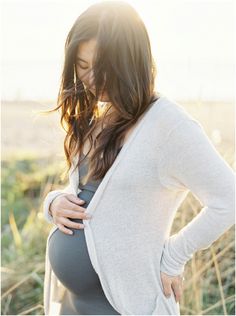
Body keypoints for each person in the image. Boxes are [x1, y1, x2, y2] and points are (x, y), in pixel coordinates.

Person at [42, 1, 235, 315]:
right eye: (83, 65)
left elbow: (229, 197)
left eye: (104, 65)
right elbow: (90, 198)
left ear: (132, 60)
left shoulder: (170, 126)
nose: (91, 79)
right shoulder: (102, 116)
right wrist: (53, 202)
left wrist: (174, 257)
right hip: (73, 306)